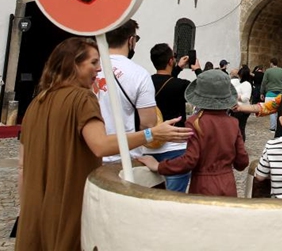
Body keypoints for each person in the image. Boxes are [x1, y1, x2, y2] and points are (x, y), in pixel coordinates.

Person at [17, 37, 192, 250]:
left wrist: (26, 207)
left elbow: (22, 165)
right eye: (93, 63)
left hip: (37, 206)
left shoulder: (38, 101)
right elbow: (101, 145)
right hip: (70, 201)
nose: (99, 69)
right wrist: (151, 133)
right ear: (73, 63)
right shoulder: (82, 98)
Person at [138, 70, 249, 197]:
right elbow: (242, 162)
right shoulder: (233, 123)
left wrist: (159, 166)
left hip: (203, 185)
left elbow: (190, 160)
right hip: (228, 184)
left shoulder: (195, 122)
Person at [93, 19, 157, 163]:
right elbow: (148, 124)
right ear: (131, 40)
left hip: (89, 153)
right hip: (123, 156)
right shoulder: (140, 74)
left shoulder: (88, 67)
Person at [142, 43, 201, 193]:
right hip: (176, 147)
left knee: (149, 196)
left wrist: (177, 68)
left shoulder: (144, 83)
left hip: (149, 146)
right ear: (170, 61)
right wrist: (197, 70)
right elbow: (204, 91)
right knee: (174, 198)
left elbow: (165, 81)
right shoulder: (181, 85)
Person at [261, 58, 282, 132]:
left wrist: (261, 92)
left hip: (270, 93)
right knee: (281, 111)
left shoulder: (268, 71)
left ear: (271, 63)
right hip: (281, 93)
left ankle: (273, 127)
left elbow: (264, 82)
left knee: (272, 111)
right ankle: (280, 127)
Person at [229, 67, 252, 142]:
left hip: (242, 109)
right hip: (237, 108)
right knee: (236, 128)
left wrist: (236, 96)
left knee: (240, 128)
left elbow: (246, 97)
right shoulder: (241, 83)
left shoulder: (247, 84)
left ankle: (240, 145)